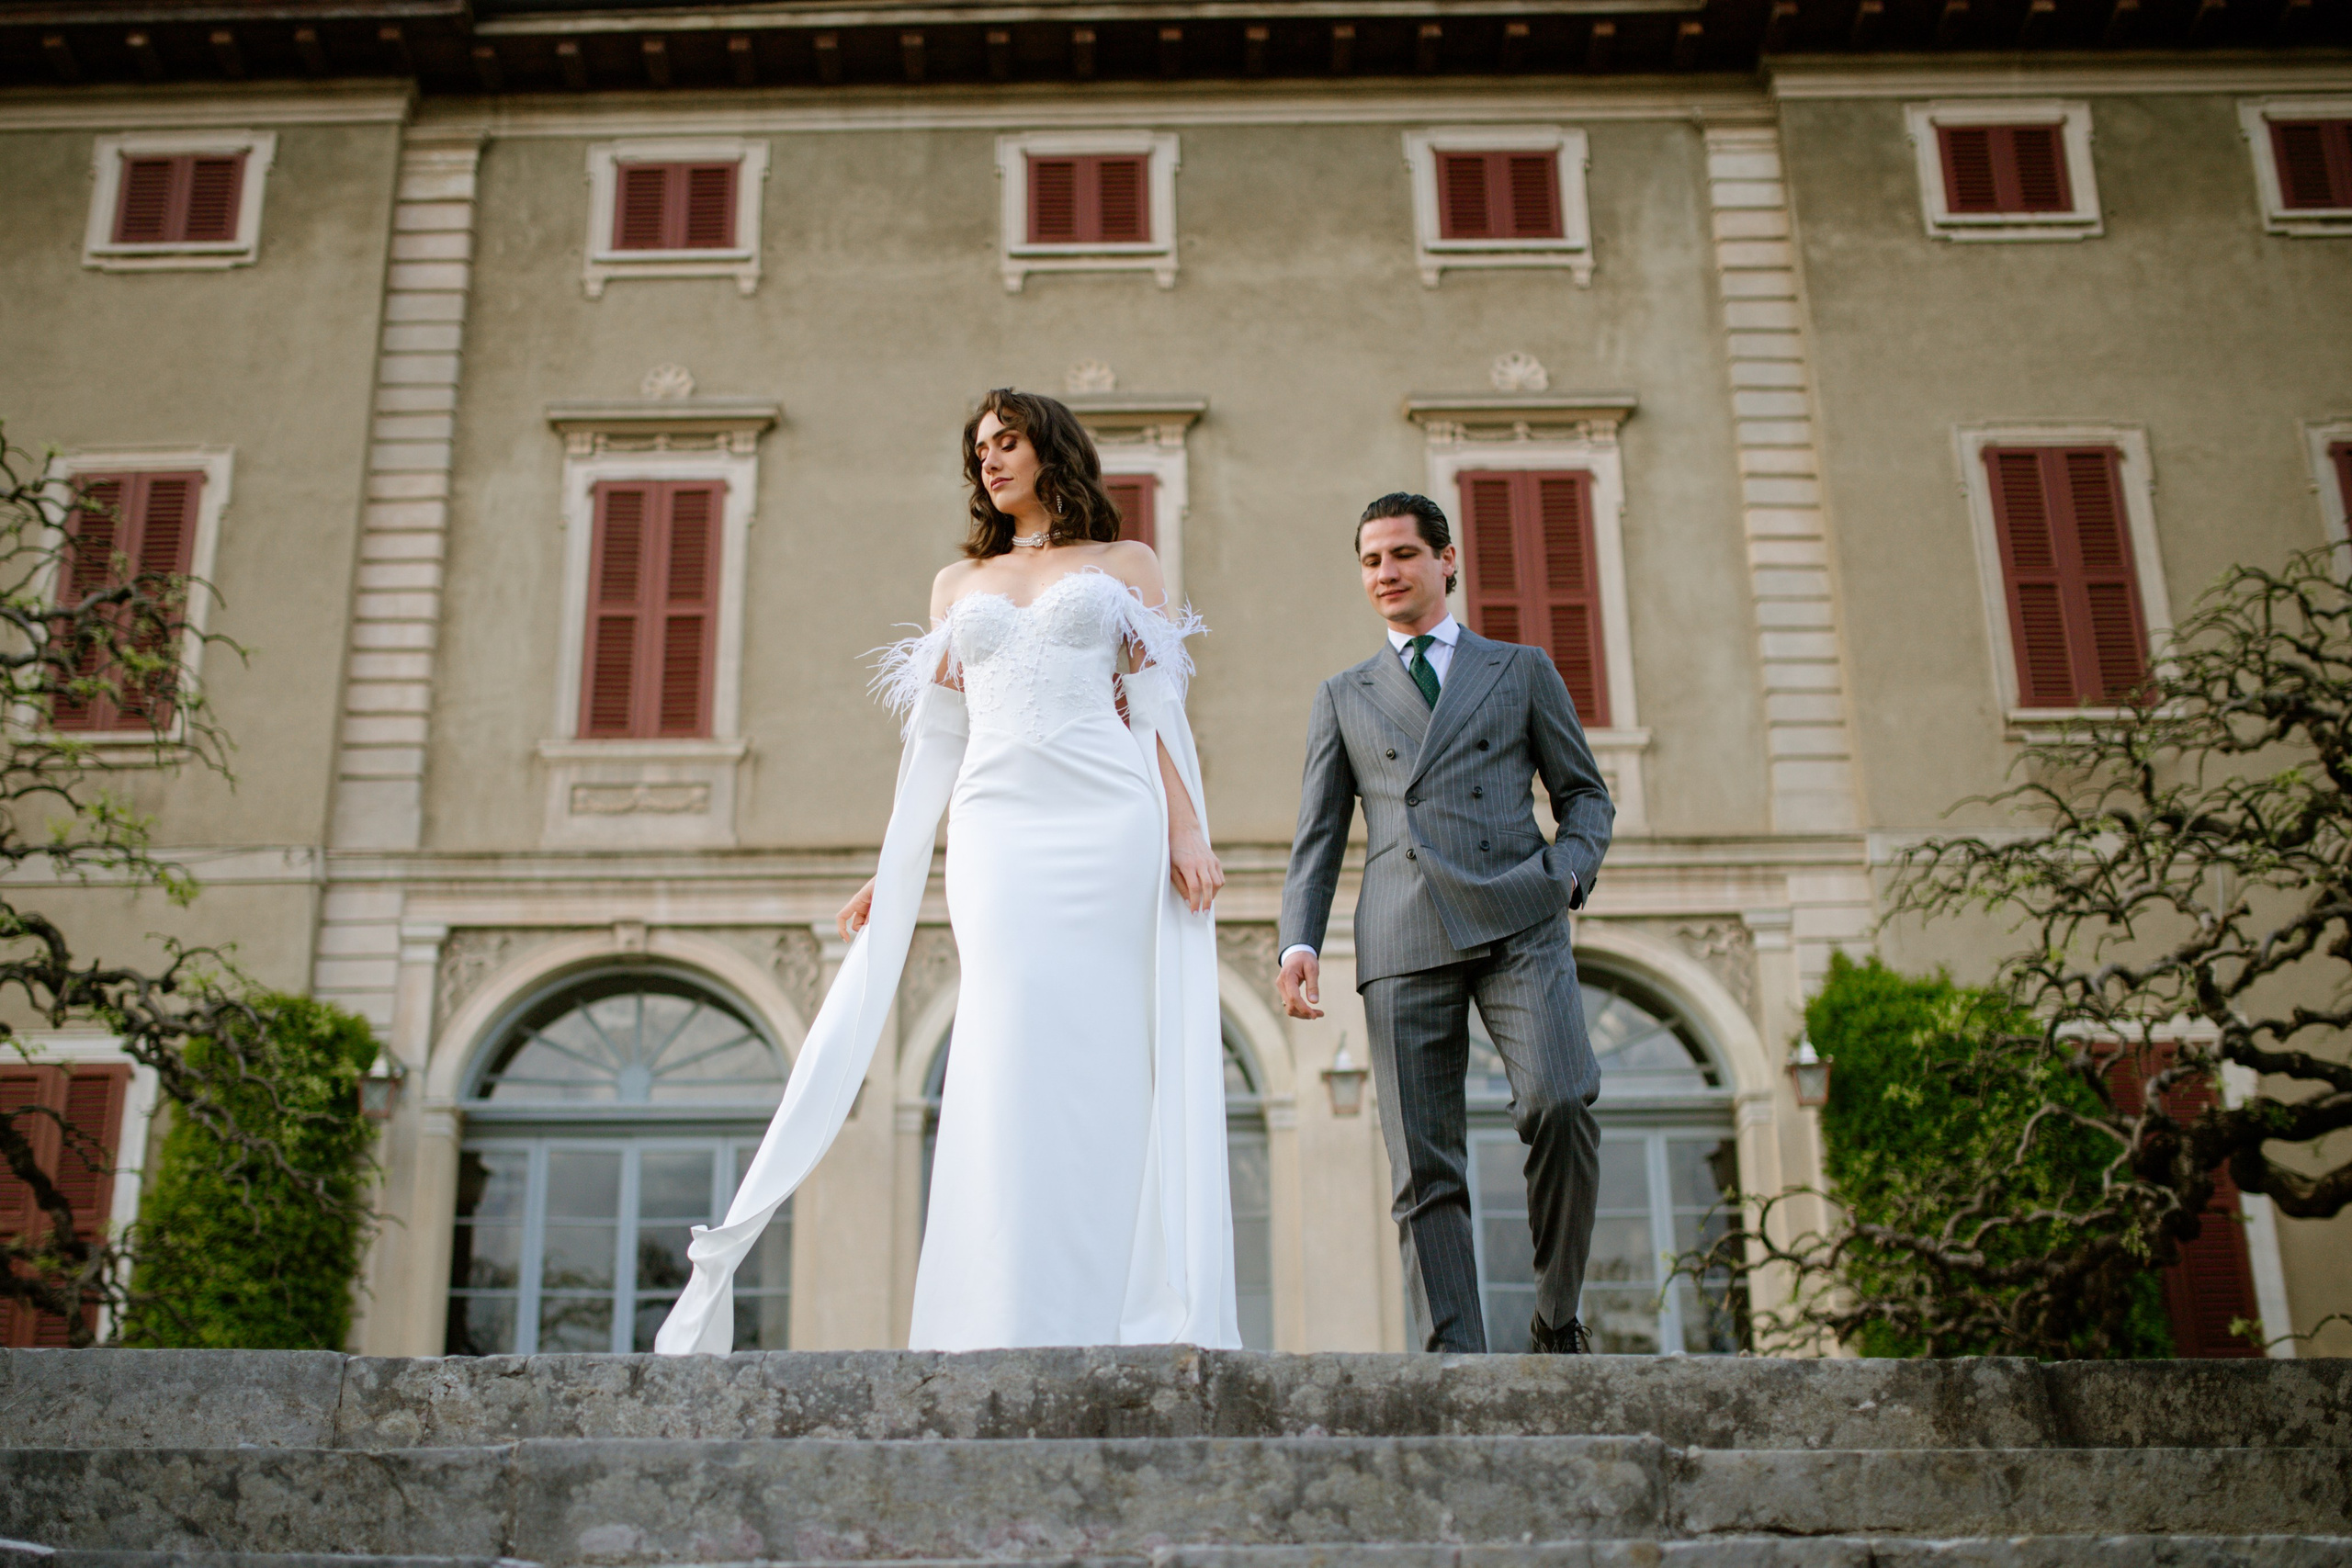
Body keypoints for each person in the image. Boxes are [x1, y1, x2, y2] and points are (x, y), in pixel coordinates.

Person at [656, 389, 1238, 1354]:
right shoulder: (954, 584)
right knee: (1003, 1039)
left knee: (1103, 1049)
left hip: (1108, 817)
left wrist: (1185, 827)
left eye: (1006, 443)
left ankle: (1112, 1299)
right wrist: (897, 865)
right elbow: (934, 738)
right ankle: (1002, 1309)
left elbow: (1155, 709)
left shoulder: (1124, 564)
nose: (990, 463)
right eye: (978, 451)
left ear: (1051, 448)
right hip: (994, 828)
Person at [1276, 492, 1613, 1355]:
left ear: (1447, 560)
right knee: (1425, 1162)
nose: (1384, 574)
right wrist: (1299, 941)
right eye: (1369, 561)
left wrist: (1567, 870)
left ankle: (1557, 1314)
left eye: (1401, 555)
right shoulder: (1344, 695)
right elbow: (1319, 834)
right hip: (1402, 926)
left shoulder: (1522, 668)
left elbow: (1583, 796)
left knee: (1562, 1097)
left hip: (1521, 912)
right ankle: (1456, 1355)